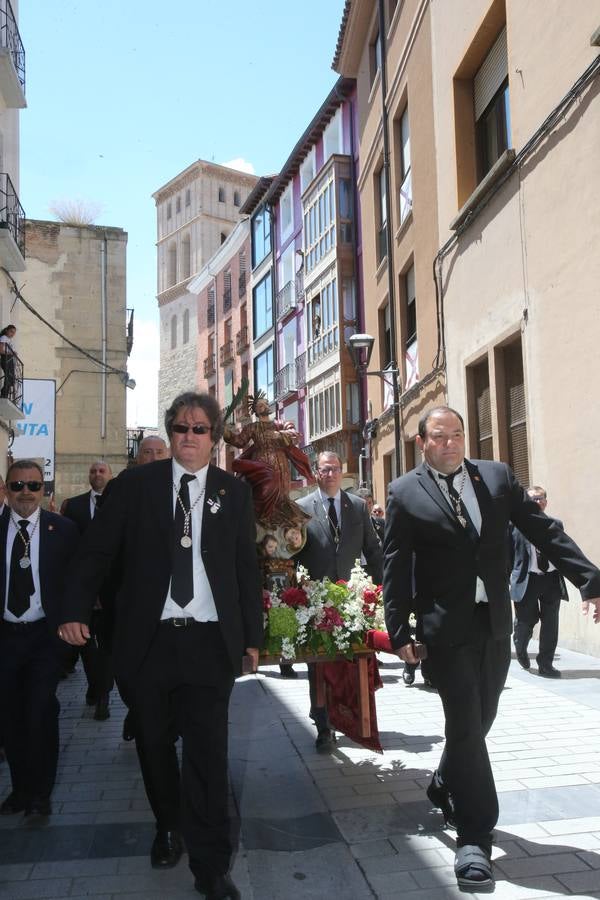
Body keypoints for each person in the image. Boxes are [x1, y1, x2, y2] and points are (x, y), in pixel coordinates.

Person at [383, 406, 600, 890]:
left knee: (479, 723)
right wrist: (399, 632)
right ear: (423, 443)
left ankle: (443, 781)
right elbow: (396, 565)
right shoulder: (404, 493)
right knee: (464, 720)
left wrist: (589, 578)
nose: (451, 444)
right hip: (444, 629)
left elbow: (542, 528)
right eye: (439, 437)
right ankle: (474, 836)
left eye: (457, 435)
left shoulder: (496, 477)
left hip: (495, 623)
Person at [58, 391, 263, 900]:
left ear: (214, 438)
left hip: (209, 643)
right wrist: (73, 610)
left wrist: (253, 639)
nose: (188, 437)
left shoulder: (232, 493)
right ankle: (167, 824)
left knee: (208, 756)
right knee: (152, 744)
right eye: (180, 428)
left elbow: (244, 569)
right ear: (169, 434)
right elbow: (96, 552)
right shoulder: (136, 486)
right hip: (148, 645)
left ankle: (211, 865)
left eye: (199, 429)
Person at [0, 460, 79, 819]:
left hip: (43, 637)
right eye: (18, 486)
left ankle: (41, 794)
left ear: (44, 489)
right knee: (10, 716)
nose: (26, 493)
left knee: (40, 712)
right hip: (5, 637)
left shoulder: (62, 530)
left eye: (33, 485)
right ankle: (20, 789)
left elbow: (77, 582)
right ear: (7, 490)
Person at [296, 451, 383, 750]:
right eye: (324, 469)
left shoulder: (357, 507)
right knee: (318, 665)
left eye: (334, 469)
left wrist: (380, 587)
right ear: (316, 474)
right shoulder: (302, 508)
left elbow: (373, 549)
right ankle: (323, 725)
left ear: (342, 472)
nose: (330, 474)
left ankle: (351, 718)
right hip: (316, 600)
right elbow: (294, 554)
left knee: (350, 664)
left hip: (351, 598)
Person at [60, 460, 114, 721]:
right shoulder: (73, 506)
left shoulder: (121, 505)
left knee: (109, 647)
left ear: (110, 475)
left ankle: (103, 693)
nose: (97, 474)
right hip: (85, 593)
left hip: (113, 592)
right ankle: (97, 687)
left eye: (102, 470)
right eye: (92, 470)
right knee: (89, 648)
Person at [223, 391, 314, 528]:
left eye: (265, 403)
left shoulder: (280, 424)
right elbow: (239, 441)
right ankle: (263, 517)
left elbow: (295, 435)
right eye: (260, 406)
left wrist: (278, 435)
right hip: (260, 466)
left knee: (281, 494)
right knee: (265, 490)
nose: (264, 406)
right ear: (255, 411)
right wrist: (226, 432)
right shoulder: (252, 427)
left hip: (280, 463)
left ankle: (277, 519)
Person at [510, 486, 568, 677]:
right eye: (533, 499)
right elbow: (507, 554)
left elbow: (563, 550)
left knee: (551, 623)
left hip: (551, 579)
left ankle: (546, 665)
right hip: (527, 579)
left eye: (540, 498)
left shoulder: (556, 524)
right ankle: (520, 645)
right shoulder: (514, 525)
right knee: (526, 620)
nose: (537, 502)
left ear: (546, 501)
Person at [0, 325, 17, 399]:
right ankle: (4, 394)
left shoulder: (8, 339)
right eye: (11, 332)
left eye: (14, 333)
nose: (12, 334)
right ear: (7, 330)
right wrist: (11, 353)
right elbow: (1, 351)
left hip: (9, 359)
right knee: (9, 377)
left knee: (11, 378)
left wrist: (13, 353)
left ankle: (5, 394)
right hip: (5, 359)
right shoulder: (3, 338)